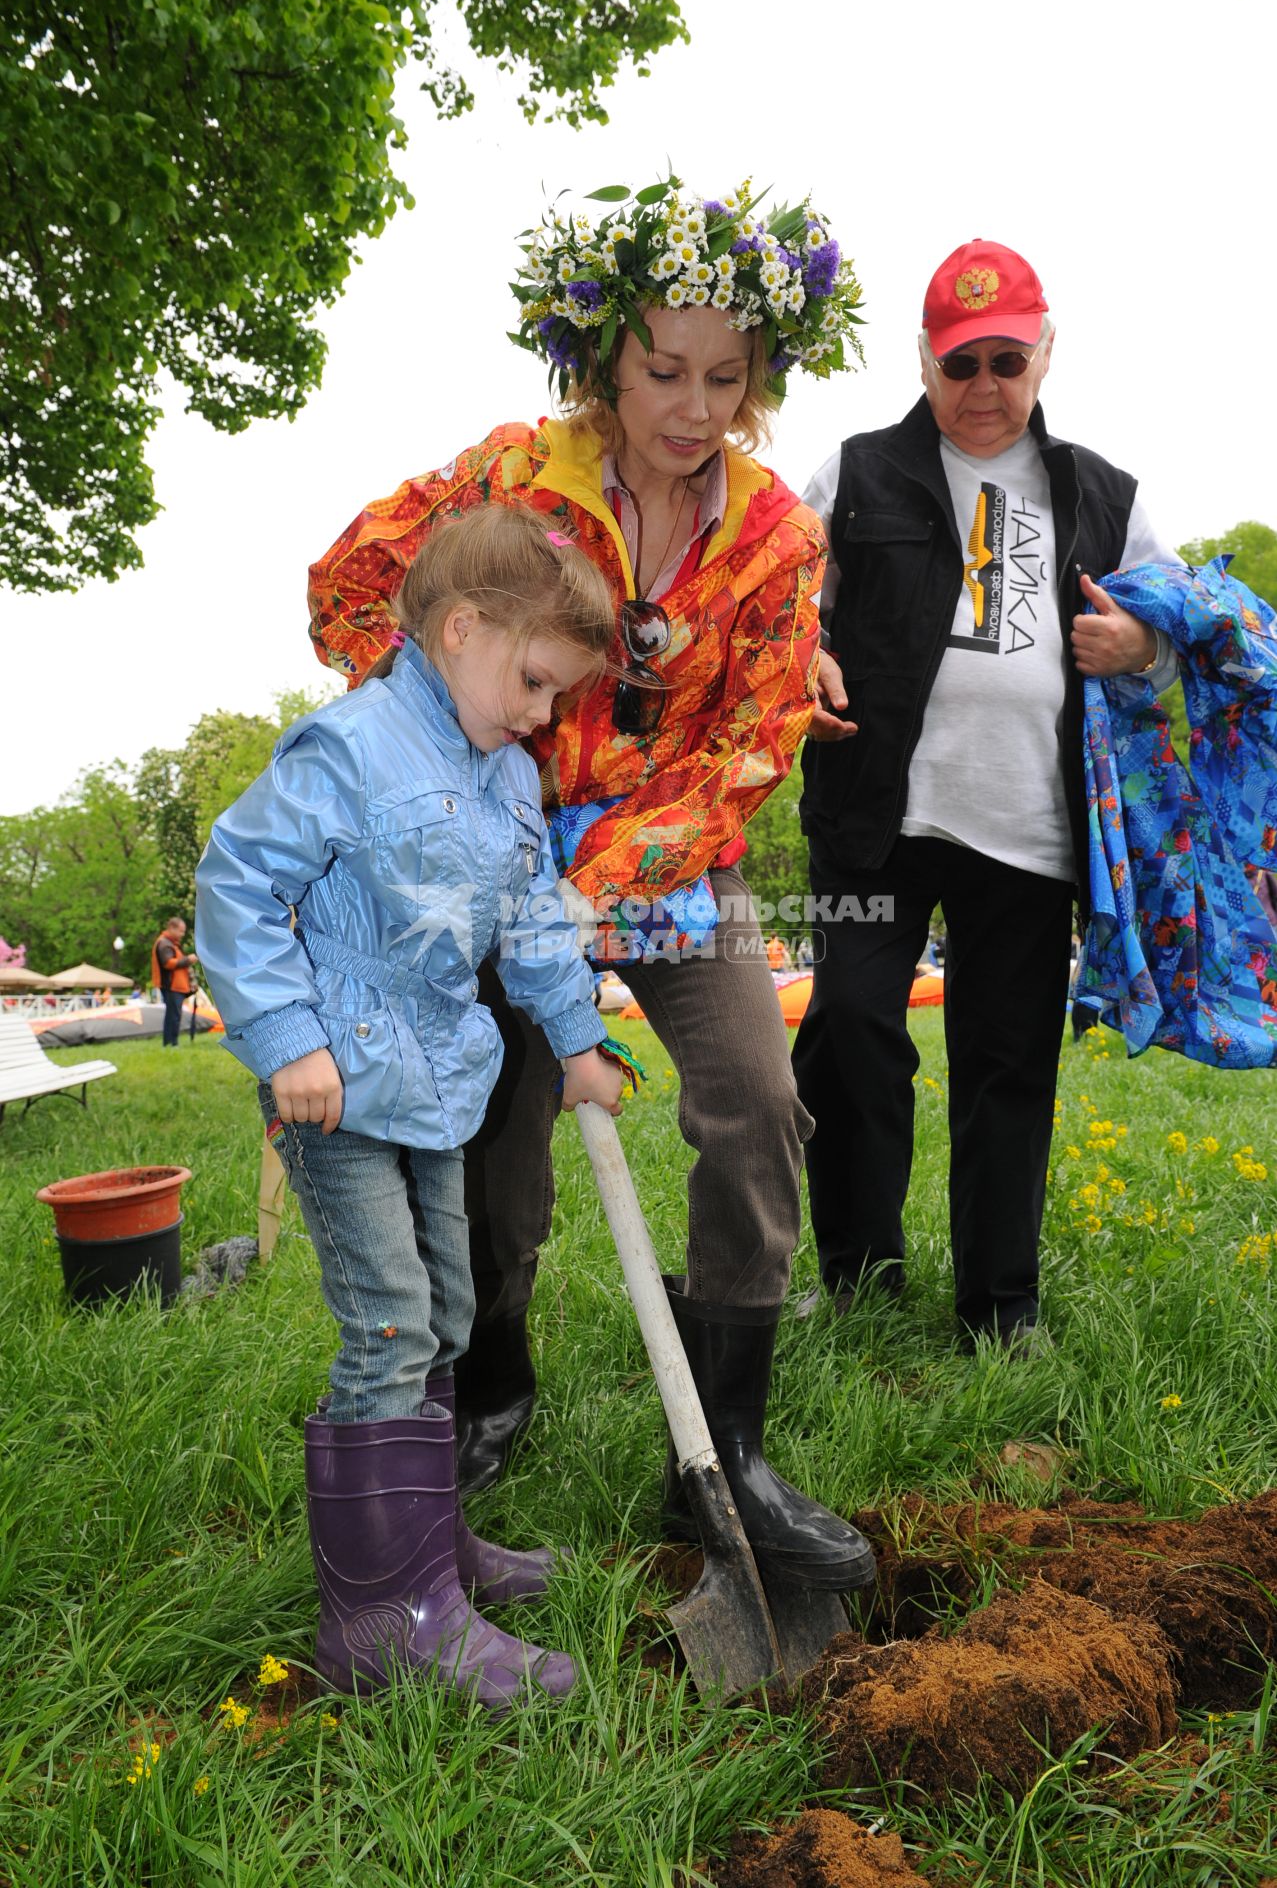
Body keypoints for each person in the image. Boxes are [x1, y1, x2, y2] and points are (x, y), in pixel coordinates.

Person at [306, 177, 878, 1596]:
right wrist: (428, 733)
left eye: (724, 379)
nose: (690, 405)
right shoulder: (516, 475)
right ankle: (492, 1381)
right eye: (662, 370)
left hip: (677, 855)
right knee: (496, 1138)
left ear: (760, 383)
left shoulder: (778, 544)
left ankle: (724, 1448)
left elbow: (754, 744)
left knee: (755, 1096)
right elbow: (350, 589)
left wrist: (607, 878)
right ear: (606, 357)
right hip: (493, 857)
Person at [196, 506, 626, 1707]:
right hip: (339, 1088)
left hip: (442, 1082)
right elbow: (238, 882)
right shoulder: (352, 746)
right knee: (389, 1317)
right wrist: (287, 1041)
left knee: (445, 1304)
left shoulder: (504, 776)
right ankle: (383, 1618)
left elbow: (534, 921)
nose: (543, 714)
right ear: (460, 628)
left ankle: (428, 1551)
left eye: (558, 696)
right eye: (535, 682)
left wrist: (580, 1038)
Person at [795, 239, 1182, 1354]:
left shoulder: (1104, 494)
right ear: (923, 363)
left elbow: (1185, 642)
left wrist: (1140, 641)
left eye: (1005, 361)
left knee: (1008, 1059)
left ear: (1044, 355)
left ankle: (998, 1307)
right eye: (960, 364)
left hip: (1029, 822)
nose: (982, 388)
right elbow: (773, 604)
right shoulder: (854, 471)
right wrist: (798, 658)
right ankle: (859, 1278)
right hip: (875, 817)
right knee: (853, 1027)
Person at [151, 917, 195, 1045]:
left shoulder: (170, 943)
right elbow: (168, 963)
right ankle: (172, 1043)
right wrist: (188, 960)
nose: (182, 934)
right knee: (173, 1016)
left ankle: (169, 1043)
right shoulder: (164, 943)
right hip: (171, 986)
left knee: (172, 1015)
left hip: (175, 986)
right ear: (171, 928)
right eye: (181, 931)